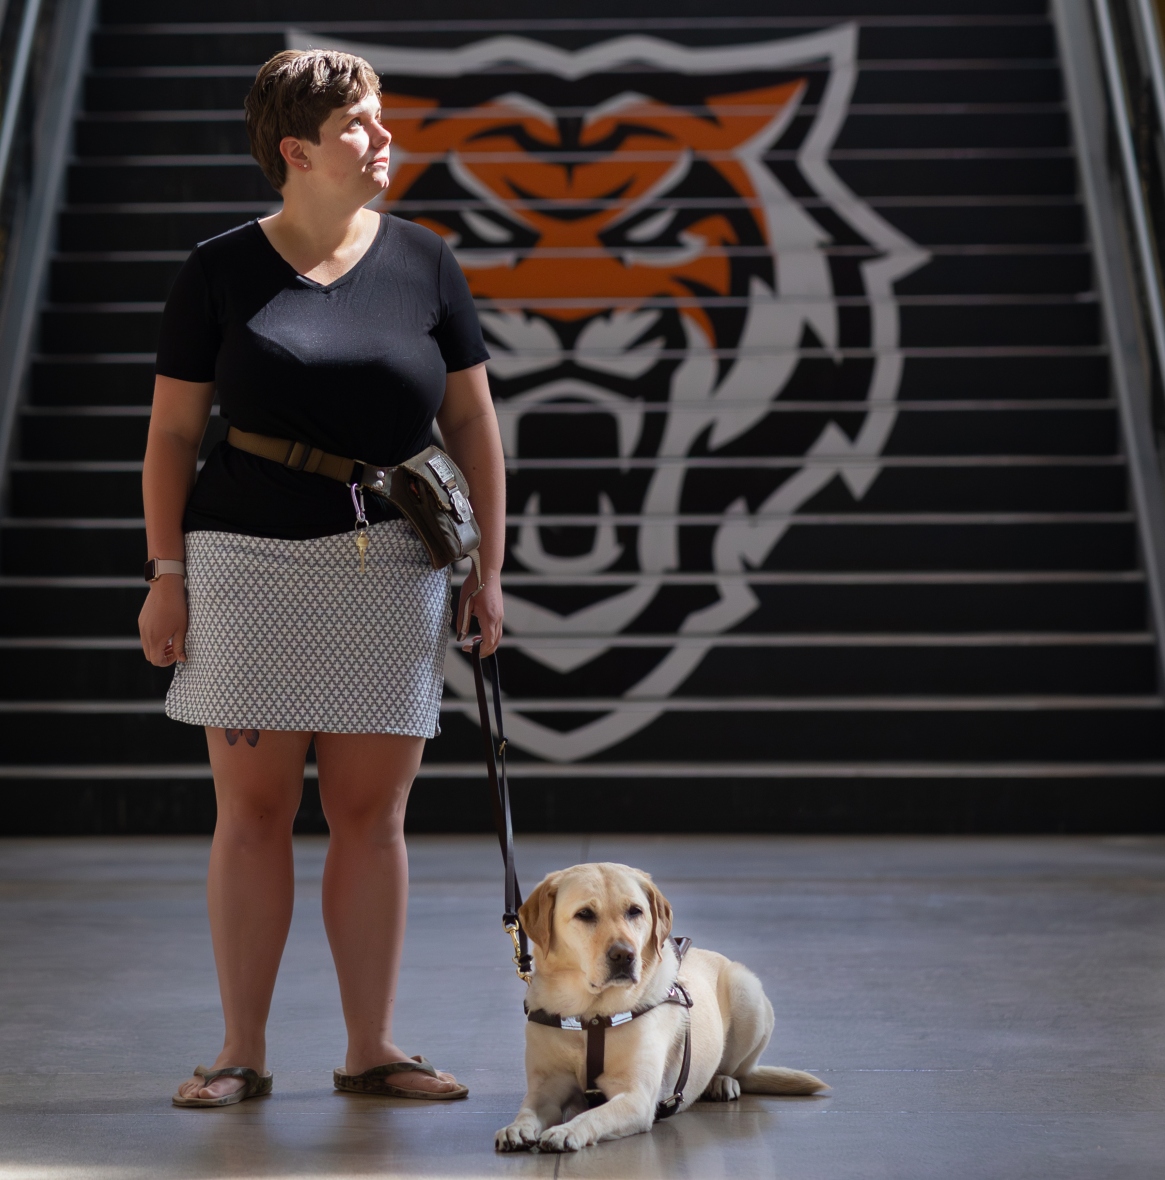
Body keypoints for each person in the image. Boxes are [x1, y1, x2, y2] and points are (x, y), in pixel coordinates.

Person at [137, 48, 504, 1107]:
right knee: (251, 813)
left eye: (382, 118)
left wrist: (487, 569)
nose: (384, 138)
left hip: (392, 565)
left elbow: (473, 423)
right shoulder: (217, 270)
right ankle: (239, 1052)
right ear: (296, 152)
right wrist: (166, 572)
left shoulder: (426, 261)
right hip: (242, 562)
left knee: (371, 815)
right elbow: (172, 435)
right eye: (359, 125)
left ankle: (370, 1046)